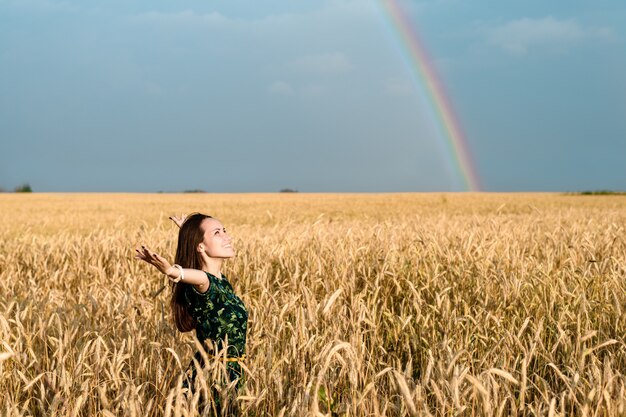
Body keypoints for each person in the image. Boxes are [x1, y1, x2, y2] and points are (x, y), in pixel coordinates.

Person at [135, 213, 248, 415]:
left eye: (225, 230)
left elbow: (198, 257)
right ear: (201, 247)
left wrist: (186, 230)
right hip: (214, 376)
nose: (227, 237)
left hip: (228, 372)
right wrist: (171, 271)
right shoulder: (205, 282)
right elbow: (190, 276)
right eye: (217, 233)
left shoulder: (220, 280)